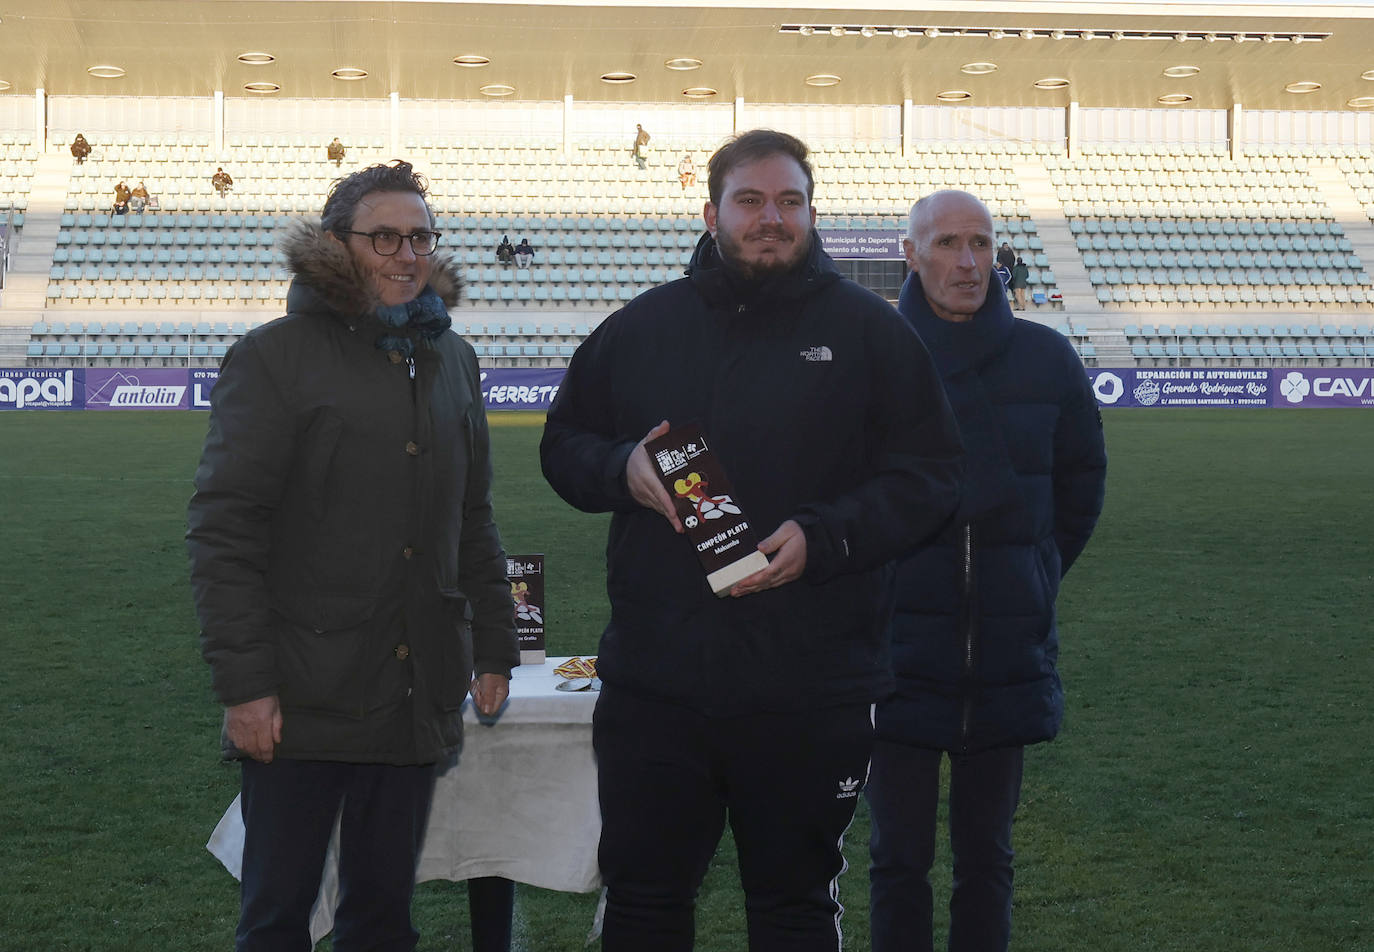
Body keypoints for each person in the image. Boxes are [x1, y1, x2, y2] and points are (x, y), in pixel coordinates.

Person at [540, 129, 964, 952]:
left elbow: (933, 479)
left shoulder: (869, 333)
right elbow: (563, 445)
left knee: (796, 908)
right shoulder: (643, 326)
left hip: (812, 684)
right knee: (644, 903)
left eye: (789, 201)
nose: (771, 218)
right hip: (659, 687)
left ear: (811, 213)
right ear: (711, 213)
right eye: (750, 200)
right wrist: (620, 465)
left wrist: (825, 537)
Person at [187, 160, 519, 952]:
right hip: (302, 695)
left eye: (419, 237)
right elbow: (225, 529)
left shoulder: (454, 361)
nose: (406, 255)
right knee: (277, 921)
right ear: (339, 246)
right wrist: (246, 687)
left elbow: (473, 520)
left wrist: (497, 642)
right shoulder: (275, 357)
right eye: (384, 238)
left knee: (382, 923)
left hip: (414, 690)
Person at [867, 190, 1107, 952]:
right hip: (896, 654)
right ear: (910, 253)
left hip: (1005, 654)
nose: (967, 263)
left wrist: (1027, 576)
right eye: (946, 244)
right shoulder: (874, 355)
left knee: (988, 860)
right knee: (896, 860)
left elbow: (1079, 490)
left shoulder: (1047, 357)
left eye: (979, 244)